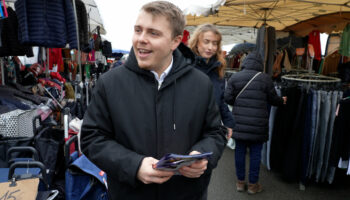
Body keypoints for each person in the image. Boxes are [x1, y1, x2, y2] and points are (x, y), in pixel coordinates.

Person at [80, 1, 227, 200]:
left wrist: (202, 156)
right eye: (138, 30)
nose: (141, 39)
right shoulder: (110, 83)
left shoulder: (201, 84)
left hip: (187, 194)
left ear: (175, 41)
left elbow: (215, 132)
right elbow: (92, 138)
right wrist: (134, 165)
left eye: (153, 33)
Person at [224, 51, 287, 194]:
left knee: (239, 152)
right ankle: (253, 185)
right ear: (260, 64)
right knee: (255, 154)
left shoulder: (235, 77)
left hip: (239, 122)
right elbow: (273, 100)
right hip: (258, 124)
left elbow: (227, 98)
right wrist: (281, 100)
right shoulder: (265, 79)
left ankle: (240, 183)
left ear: (244, 63)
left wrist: (238, 103)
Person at [188, 23, 235, 139]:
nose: (210, 47)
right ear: (197, 42)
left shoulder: (217, 69)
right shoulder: (186, 67)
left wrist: (228, 122)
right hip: (188, 129)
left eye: (215, 43)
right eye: (206, 41)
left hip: (211, 129)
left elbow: (221, 99)